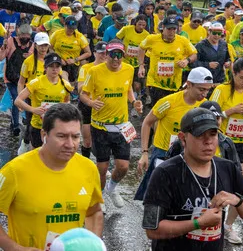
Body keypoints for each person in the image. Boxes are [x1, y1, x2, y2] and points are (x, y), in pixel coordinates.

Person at [142, 107, 243, 251]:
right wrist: (198, 223)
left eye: (213, 134)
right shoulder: (164, 173)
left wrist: (238, 200)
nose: (208, 142)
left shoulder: (227, 168)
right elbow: (152, 229)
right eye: (200, 135)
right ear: (183, 138)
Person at [0, 103, 104, 250]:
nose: (70, 144)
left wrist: (92, 244)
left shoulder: (88, 169)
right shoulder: (14, 171)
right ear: (44, 135)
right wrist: (15, 248)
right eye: (61, 136)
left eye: (75, 137)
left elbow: (94, 212)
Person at [80, 40, 143, 209]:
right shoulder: (94, 71)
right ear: (106, 55)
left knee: (123, 167)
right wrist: (91, 103)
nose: (116, 59)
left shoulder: (129, 69)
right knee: (102, 167)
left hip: (121, 125)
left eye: (119, 55)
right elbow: (83, 95)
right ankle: (99, 198)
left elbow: (128, 88)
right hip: (100, 126)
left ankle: (112, 188)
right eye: (112, 55)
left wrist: (134, 101)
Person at [135, 67, 213, 200]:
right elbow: (147, 123)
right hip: (163, 154)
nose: (204, 94)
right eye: (201, 89)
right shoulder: (168, 102)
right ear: (189, 84)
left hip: (189, 156)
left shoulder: (205, 106)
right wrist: (144, 153)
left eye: (208, 89)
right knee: (156, 196)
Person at [210, 57, 243, 243]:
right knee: (219, 184)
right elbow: (208, 114)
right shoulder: (221, 90)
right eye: (242, 78)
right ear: (234, 74)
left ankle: (228, 226)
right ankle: (212, 218)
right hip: (222, 141)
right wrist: (230, 111)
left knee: (242, 186)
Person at [15, 53, 73, 148]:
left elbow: (66, 103)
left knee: (54, 154)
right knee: (37, 155)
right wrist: (33, 109)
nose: (55, 69)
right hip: (38, 126)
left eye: (57, 66)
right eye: (51, 66)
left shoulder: (66, 85)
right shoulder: (36, 82)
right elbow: (18, 101)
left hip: (56, 126)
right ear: (45, 68)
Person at [138, 16, 197, 106]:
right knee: (158, 108)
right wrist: (141, 65)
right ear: (163, 27)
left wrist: (187, 61)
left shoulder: (183, 41)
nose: (172, 32)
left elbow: (194, 54)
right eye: (169, 29)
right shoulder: (152, 39)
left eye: (174, 29)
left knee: (170, 108)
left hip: (173, 83)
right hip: (155, 82)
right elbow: (141, 48)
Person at [17, 32, 51, 154]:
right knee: (32, 125)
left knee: (48, 125)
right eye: (41, 45)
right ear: (35, 45)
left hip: (50, 99)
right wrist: (20, 99)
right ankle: (27, 143)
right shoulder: (28, 62)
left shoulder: (52, 61)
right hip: (32, 99)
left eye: (45, 45)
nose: (43, 49)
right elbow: (21, 82)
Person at [0, 23, 34, 136]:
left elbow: (36, 61)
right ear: (18, 34)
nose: (25, 38)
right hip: (10, 78)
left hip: (24, 79)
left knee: (25, 101)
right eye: (23, 35)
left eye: (27, 35)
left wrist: (30, 57)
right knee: (16, 99)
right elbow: (1, 57)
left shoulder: (32, 46)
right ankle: (15, 126)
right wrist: (3, 47)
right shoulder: (10, 41)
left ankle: (18, 122)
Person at [77, 42, 107, 158]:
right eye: (100, 53)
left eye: (105, 53)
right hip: (86, 105)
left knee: (102, 139)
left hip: (102, 106)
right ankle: (86, 162)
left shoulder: (111, 70)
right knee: (87, 140)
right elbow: (80, 89)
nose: (103, 55)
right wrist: (92, 81)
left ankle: (102, 163)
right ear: (94, 53)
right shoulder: (86, 68)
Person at [50, 15, 91, 83]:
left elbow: (88, 53)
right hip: (59, 63)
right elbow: (50, 48)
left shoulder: (79, 37)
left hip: (73, 65)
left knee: (71, 83)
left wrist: (75, 60)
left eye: (73, 28)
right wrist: (58, 58)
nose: (71, 30)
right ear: (64, 25)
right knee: (63, 81)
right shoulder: (57, 34)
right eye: (69, 28)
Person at [191, 22, 230, 87]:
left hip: (219, 80)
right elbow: (192, 63)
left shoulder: (223, 44)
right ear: (209, 32)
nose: (217, 35)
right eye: (214, 33)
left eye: (219, 33)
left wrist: (228, 62)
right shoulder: (200, 45)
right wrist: (208, 65)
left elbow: (227, 58)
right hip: (204, 81)